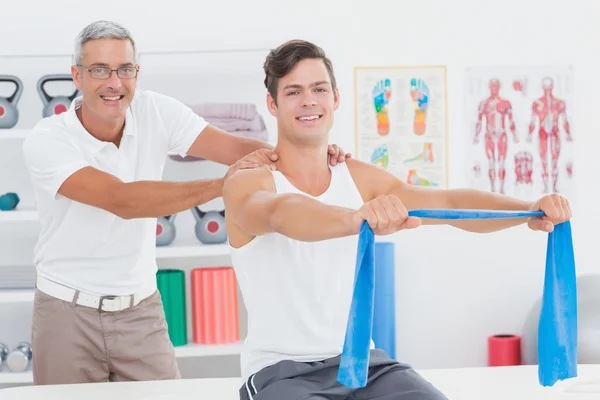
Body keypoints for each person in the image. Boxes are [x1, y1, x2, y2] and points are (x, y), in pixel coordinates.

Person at [222, 40, 573, 400]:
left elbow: (448, 201)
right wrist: (357, 217)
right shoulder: (249, 181)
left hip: (363, 364)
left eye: (319, 89)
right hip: (282, 373)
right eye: (293, 91)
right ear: (272, 104)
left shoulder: (356, 177)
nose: (309, 100)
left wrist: (529, 209)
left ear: (335, 98)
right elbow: (281, 214)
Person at [21, 21, 349, 385]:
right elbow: (121, 200)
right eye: (99, 70)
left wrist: (309, 152)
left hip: (140, 311)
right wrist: (221, 185)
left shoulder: (156, 111)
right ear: (77, 77)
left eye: (125, 69)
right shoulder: (48, 140)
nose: (114, 82)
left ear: (136, 73)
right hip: (67, 312)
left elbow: (234, 148)